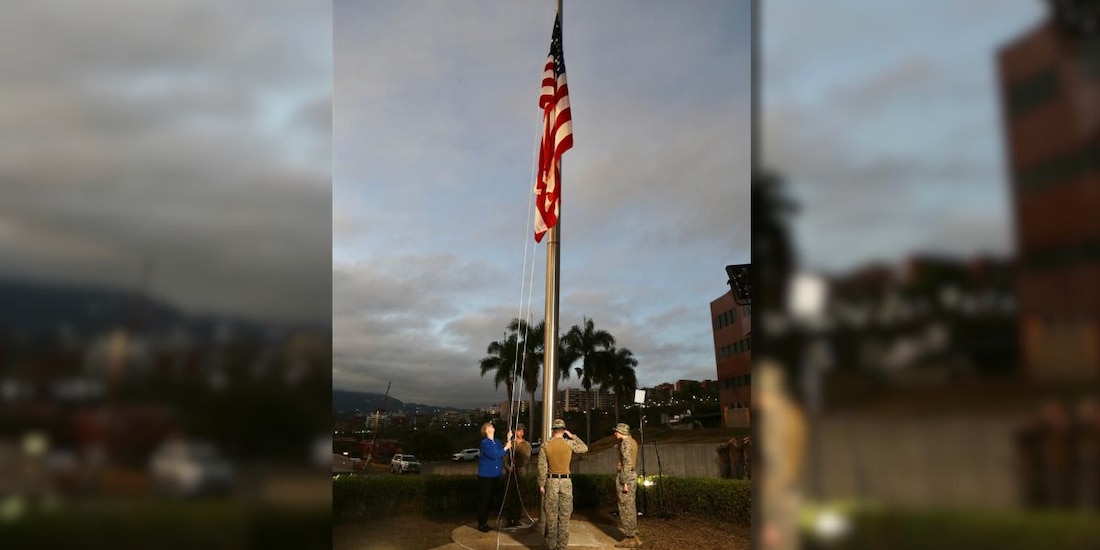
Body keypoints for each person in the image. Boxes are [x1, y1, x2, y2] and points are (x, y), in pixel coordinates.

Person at [537, 418, 588, 550]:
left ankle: (551, 546)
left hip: (551, 481)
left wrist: (541, 484)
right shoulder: (569, 443)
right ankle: (562, 546)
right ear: (564, 430)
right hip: (566, 482)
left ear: (553, 430)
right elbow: (584, 448)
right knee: (565, 517)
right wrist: (573, 436)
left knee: (551, 517)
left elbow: (542, 467)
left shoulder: (545, 445)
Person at [476, 421, 513, 532]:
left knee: (490, 500)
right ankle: (481, 523)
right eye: (489, 426)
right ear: (486, 430)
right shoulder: (485, 443)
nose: (492, 427)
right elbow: (494, 454)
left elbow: (501, 452)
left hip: (495, 475)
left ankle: (485, 522)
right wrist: (506, 447)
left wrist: (508, 440)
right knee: (485, 499)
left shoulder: (496, 441)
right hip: (486, 476)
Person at [611, 423, 641, 548]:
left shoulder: (625, 443)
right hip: (631, 475)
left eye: (617, 432)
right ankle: (634, 534)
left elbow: (627, 462)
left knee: (625, 507)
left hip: (626, 476)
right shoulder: (632, 441)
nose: (615, 434)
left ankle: (629, 538)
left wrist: (624, 482)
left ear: (621, 432)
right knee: (631, 506)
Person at [504, 423, 533, 527]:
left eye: (522, 431)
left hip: (520, 473)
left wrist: (516, 461)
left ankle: (517, 518)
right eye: (519, 430)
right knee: (509, 496)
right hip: (510, 474)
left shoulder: (526, 445)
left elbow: (526, 459)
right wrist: (508, 467)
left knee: (519, 496)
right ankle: (508, 519)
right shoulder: (510, 443)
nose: (521, 433)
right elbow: (505, 458)